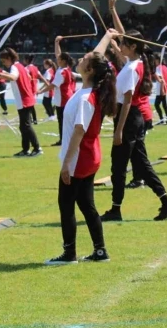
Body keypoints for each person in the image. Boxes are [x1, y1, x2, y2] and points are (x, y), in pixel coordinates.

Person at [98, 5, 167, 222]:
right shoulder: (135, 61)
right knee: (141, 164)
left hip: (129, 119)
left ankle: (115, 209)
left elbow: (128, 101)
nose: (120, 45)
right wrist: (112, 10)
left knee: (119, 166)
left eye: (123, 44)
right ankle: (166, 202)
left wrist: (119, 130)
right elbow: (122, 38)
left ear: (132, 47)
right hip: (134, 119)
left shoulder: (133, 68)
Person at [45, 43, 117, 265]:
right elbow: (97, 58)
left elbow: (79, 130)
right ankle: (100, 251)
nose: (81, 58)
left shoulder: (87, 97)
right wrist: (107, 37)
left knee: (66, 206)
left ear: (90, 70)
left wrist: (66, 163)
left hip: (80, 159)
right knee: (86, 205)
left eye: (85, 58)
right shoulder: (89, 91)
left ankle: (69, 254)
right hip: (87, 157)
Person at [0, 49, 42, 157]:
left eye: (4, 61)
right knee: (23, 126)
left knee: (26, 126)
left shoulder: (14, 67)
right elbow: (27, 77)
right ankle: (26, 149)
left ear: (9, 58)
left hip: (24, 100)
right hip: (26, 98)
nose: (4, 63)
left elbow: (14, 77)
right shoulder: (20, 66)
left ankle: (37, 148)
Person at [24, 54, 40, 125]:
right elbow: (40, 76)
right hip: (34, 88)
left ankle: (30, 119)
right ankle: (34, 119)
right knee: (31, 105)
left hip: (29, 88)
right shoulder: (35, 68)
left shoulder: (26, 68)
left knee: (28, 105)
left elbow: (26, 77)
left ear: (27, 60)